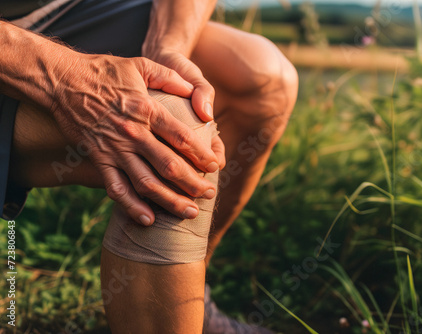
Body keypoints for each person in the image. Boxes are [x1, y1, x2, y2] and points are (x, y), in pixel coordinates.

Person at [0, 0, 298, 332]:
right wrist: (65, 76)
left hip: (67, 14)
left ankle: (186, 297)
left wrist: (167, 47)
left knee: (263, 74)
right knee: (176, 131)